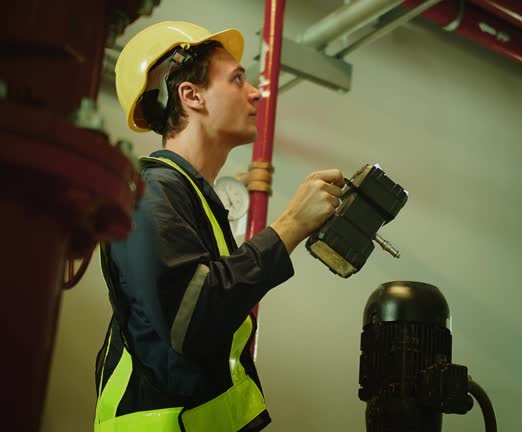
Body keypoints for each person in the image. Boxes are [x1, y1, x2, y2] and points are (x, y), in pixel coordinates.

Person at [94, 21, 344, 432]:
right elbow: (190, 319)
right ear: (191, 96)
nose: (257, 92)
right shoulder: (151, 194)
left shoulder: (189, 197)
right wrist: (291, 224)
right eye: (238, 80)